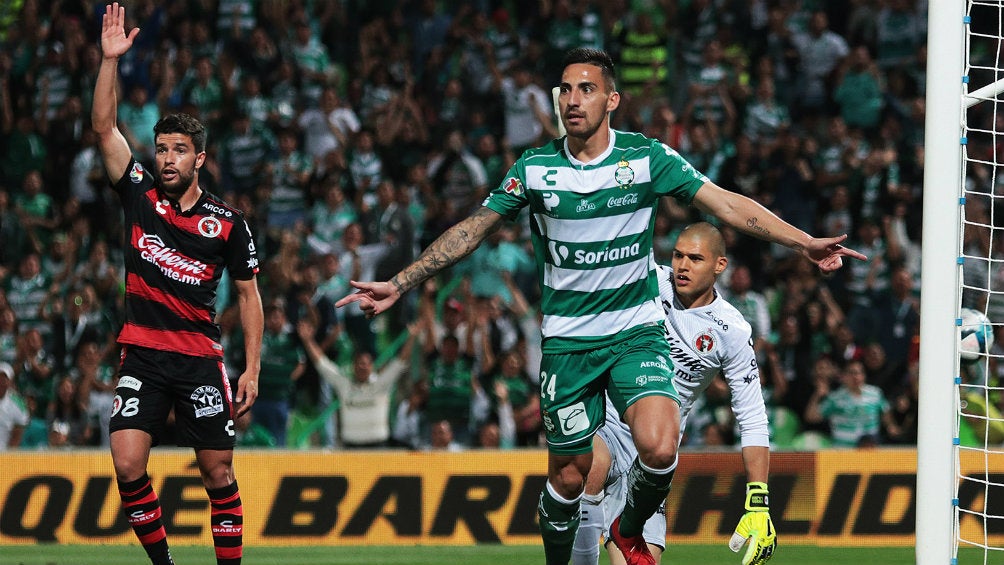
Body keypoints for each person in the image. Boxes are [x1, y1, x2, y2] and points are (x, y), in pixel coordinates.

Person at [336, 47, 864, 565]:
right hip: (568, 345)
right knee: (568, 477)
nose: (572, 99)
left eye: (586, 89)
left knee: (660, 448)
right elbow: (474, 229)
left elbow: (725, 203)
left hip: (635, 333)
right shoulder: (536, 169)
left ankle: (626, 530)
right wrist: (402, 283)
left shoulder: (645, 159)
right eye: (565, 89)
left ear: (612, 99)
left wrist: (804, 243)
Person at [92, 5, 264, 565]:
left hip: (197, 359)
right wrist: (109, 63)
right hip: (141, 354)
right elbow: (103, 126)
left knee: (217, 472)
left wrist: (253, 368)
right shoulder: (137, 192)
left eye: (179, 150)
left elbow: (248, 295)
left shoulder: (229, 223)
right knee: (126, 464)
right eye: (162, 148)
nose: (166, 158)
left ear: (200, 159)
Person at [572, 222, 775, 565]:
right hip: (610, 418)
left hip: (656, 452)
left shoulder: (733, 330)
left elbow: (752, 415)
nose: (682, 265)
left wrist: (758, 498)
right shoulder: (649, 280)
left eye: (695, 259)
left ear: (719, 266)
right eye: (678, 255)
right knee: (587, 471)